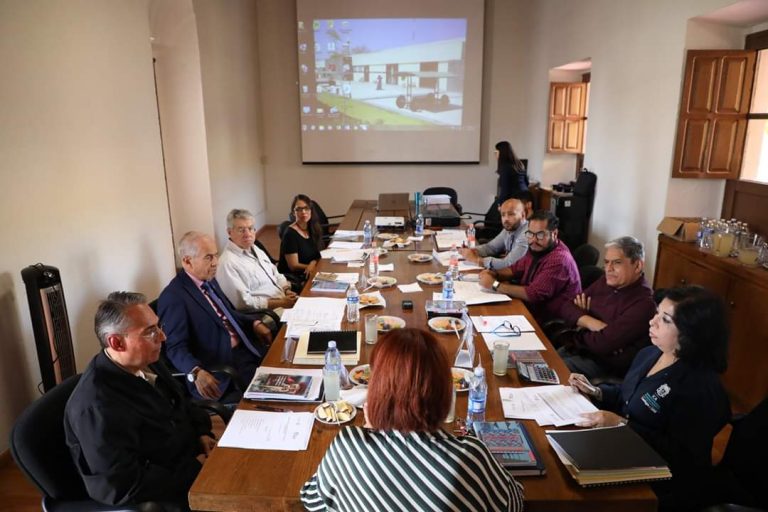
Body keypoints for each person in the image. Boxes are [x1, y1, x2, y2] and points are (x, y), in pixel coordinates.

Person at [300, 328, 524, 512]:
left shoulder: (348, 445)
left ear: (377, 388)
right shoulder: (471, 457)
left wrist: (369, 431)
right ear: (444, 390)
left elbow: (311, 498)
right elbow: (514, 503)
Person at [569, 285, 731, 512]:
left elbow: (680, 454)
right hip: (623, 449)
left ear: (690, 332)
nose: (651, 322)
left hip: (662, 484)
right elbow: (628, 396)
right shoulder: (651, 353)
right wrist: (596, 391)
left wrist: (621, 424)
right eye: (656, 314)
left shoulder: (700, 388)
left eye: (664, 320)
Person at [64, 292, 215, 509]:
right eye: (150, 331)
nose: (163, 337)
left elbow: (180, 402)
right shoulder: (98, 406)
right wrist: (193, 469)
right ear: (116, 342)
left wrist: (201, 432)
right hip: (171, 490)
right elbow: (122, 484)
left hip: (192, 459)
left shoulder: (146, 360)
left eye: (158, 326)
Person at [158, 231, 273, 401]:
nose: (215, 263)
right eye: (208, 257)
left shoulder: (208, 280)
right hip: (224, 366)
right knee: (273, 396)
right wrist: (195, 371)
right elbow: (175, 348)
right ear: (187, 261)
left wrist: (254, 323)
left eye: (216, 255)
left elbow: (229, 314)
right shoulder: (174, 297)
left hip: (246, 349)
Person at [556, 236, 656, 379]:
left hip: (602, 365)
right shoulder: (606, 281)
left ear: (638, 266)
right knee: (535, 363)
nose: (608, 269)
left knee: (549, 372)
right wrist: (593, 323)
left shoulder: (644, 304)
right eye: (606, 262)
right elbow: (566, 307)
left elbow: (602, 345)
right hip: (577, 349)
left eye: (617, 263)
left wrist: (579, 326)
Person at [479, 210, 581, 324]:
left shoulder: (559, 260)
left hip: (546, 320)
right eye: (530, 234)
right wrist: (494, 273)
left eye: (540, 235)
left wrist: (494, 284)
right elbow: (514, 269)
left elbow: (533, 294)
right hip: (529, 308)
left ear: (554, 233)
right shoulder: (537, 247)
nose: (533, 240)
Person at [216, 208, 297, 314]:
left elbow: (275, 272)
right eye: (241, 230)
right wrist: (280, 303)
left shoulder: (255, 248)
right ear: (229, 232)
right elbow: (243, 303)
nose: (247, 234)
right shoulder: (228, 263)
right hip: (267, 312)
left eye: (250, 228)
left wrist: (286, 290)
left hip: (283, 299)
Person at [460, 198, 529, 270]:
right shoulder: (509, 227)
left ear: (523, 215)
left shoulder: (526, 234)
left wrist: (477, 260)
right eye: (503, 215)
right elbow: (491, 248)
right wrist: (473, 251)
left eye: (511, 214)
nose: (506, 219)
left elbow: (508, 264)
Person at [278, 194, 322, 287]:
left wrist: (313, 263)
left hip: (312, 271)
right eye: (299, 209)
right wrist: (310, 266)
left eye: (306, 208)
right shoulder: (290, 234)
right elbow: (293, 266)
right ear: (293, 213)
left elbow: (318, 253)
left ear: (311, 210)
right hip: (296, 278)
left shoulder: (313, 228)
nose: (303, 212)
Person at [495, 141, 528, 205]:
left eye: (496, 152)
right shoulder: (520, 164)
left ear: (502, 153)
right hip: (525, 198)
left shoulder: (505, 167)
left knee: (494, 209)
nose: (495, 154)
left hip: (514, 200)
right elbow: (527, 182)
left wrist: (500, 204)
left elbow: (505, 191)